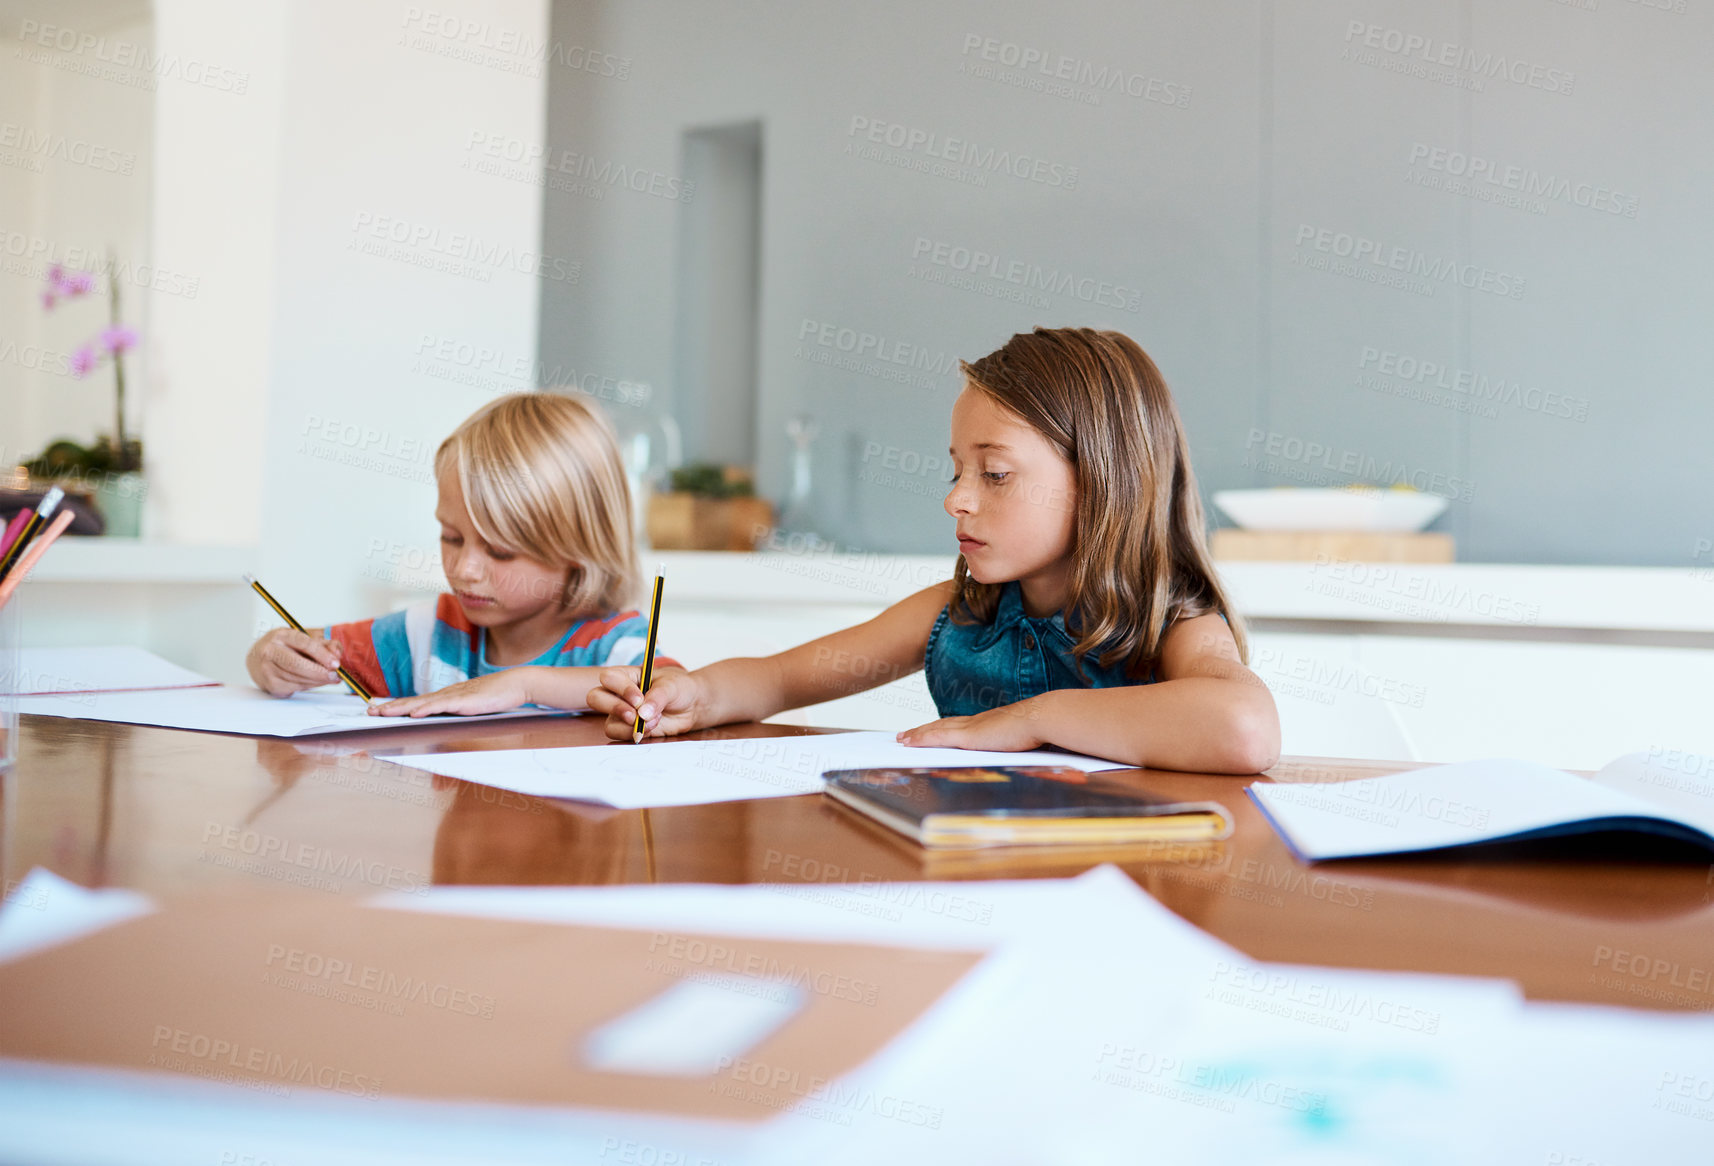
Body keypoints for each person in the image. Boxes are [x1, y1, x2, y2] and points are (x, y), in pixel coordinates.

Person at [590, 327, 1279, 773]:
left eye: (996, 474)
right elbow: (778, 680)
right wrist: (696, 694)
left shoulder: (1173, 621)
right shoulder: (957, 613)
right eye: (957, 470)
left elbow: (1245, 730)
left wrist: (1034, 719)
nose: (957, 499)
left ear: (1105, 482)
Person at [245, 392, 670, 715]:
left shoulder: (615, 646)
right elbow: (303, 646)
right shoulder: (426, 634)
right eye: (451, 537)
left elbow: (673, 690)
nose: (464, 569)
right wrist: (272, 657)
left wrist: (524, 685)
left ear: (580, 549)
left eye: (500, 552)